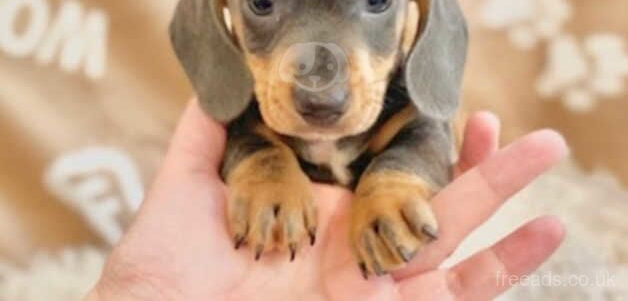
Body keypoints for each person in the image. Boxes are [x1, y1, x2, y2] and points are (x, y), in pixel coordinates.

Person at [85, 100, 567, 301]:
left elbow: (425, 140)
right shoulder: (247, 110)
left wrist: (392, 184)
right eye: (264, 3)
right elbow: (244, 141)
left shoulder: (406, 104)